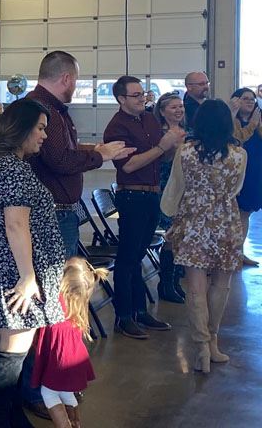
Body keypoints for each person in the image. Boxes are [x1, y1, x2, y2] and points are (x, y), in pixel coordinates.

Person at [0, 98, 66, 428]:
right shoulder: (10, 167)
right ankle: (1, 421)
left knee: (14, 349)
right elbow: (15, 224)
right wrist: (28, 277)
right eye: (40, 128)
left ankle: (9, 417)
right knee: (14, 350)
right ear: (20, 129)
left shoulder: (10, 165)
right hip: (13, 271)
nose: (44, 135)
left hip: (14, 268)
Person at [161, 99, 247, 373]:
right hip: (226, 220)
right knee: (221, 285)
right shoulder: (238, 155)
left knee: (195, 288)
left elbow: (175, 187)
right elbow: (236, 189)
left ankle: (200, 349)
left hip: (193, 220)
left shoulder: (185, 152)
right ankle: (214, 343)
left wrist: (171, 213)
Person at [27, 51, 133, 260]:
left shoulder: (46, 107)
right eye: (76, 80)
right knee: (59, 282)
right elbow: (60, 160)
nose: (76, 86)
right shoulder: (45, 110)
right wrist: (99, 156)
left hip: (55, 211)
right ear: (66, 79)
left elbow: (59, 148)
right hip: (52, 213)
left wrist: (92, 149)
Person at [104, 76, 185, 339]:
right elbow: (128, 165)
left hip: (152, 194)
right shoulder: (117, 127)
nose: (143, 99)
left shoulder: (149, 120)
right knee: (127, 259)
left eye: (144, 94)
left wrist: (175, 145)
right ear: (121, 99)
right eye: (136, 95)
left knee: (138, 257)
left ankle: (140, 311)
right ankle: (123, 316)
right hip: (132, 196)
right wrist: (163, 145)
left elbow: (161, 156)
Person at [31, 257, 109, 428]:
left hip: (60, 359)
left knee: (48, 394)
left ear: (64, 282)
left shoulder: (55, 302)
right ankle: (75, 423)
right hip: (73, 357)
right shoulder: (77, 302)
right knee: (66, 393)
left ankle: (64, 425)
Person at [153, 92, 188, 303]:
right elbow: (162, 158)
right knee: (169, 235)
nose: (179, 110)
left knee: (179, 235)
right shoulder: (160, 132)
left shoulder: (186, 130)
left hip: (183, 186)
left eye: (181, 106)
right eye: (174, 107)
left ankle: (175, 280)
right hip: (166, 185)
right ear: (163, 111)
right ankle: (165, 283)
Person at [229, 87, 262, 267]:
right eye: (246, 98)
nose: (250, 101)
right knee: (237, 213)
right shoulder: (232, 120)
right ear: (236, 100)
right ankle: (233, 253)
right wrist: (252, 125)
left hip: (255, 170)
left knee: (246, 213)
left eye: (252, 99)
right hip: (238, 171)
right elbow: (238, 140)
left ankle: (240, 252)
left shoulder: (258, 118)